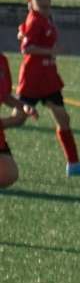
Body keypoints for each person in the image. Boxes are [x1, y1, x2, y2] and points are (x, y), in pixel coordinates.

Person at [16, 0, 80, 179]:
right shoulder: (36, 20)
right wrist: (51, 51)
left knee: (63, 118)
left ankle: (74, 164)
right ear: (30, 1)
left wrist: (22, 32)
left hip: (49, 79)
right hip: (34, 79)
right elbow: (26, 48)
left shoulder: (44, 17)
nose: (44, 0)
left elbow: (24, 32)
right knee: (17, 119)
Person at [0, 51, 26, 190]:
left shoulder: (2, 60)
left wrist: (22, 106)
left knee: (9, 174)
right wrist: (8, 122)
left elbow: (4, 95)